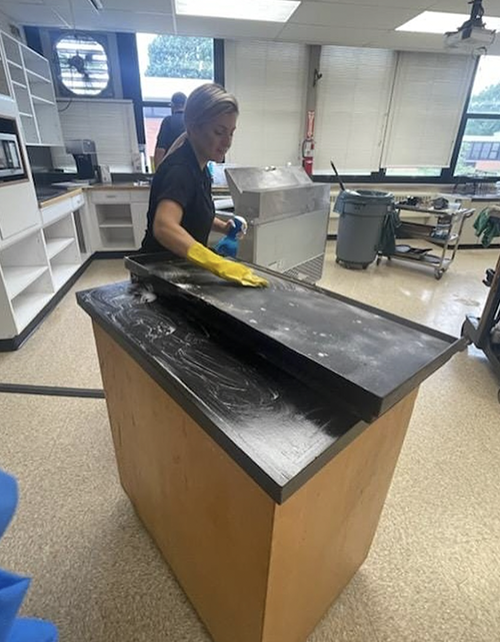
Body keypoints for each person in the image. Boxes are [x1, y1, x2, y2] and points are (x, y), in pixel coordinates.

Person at [140, 83, 267, 288]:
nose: (227, 142)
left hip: (181, 269)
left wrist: (223, 227)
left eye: (231, 133)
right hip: (158, 276)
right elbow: (164, 226)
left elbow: (191, 212)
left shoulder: (200, 168)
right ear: (193, 128)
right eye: (219, 132)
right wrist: (215, 262)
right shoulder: (180, 170)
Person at [153, 91, 187, 170]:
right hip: (191, 170)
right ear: (186, 105)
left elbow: (160, 150)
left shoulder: (168, 121)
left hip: (172, 169)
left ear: (172, 105)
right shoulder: (192, 122)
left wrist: (158, 174)